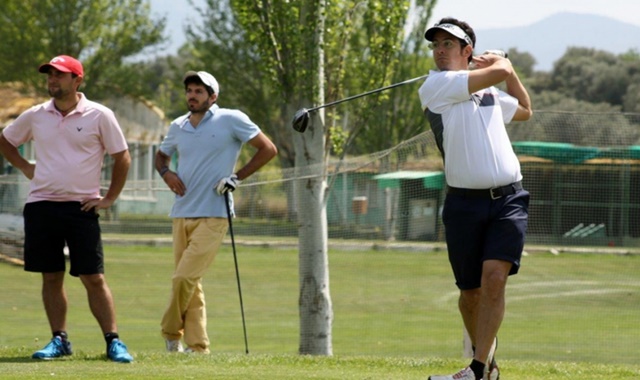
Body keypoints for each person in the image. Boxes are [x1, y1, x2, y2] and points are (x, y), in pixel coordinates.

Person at [418, 18, 532, 380]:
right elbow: (497, 72)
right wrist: (502, 62)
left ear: (467, 51)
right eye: (435, 44)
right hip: (464, 203)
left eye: (448, 44)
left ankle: (478, 369)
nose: (439, 50)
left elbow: (526, 110)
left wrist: (508, 71)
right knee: (470, 293)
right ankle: (489, 363)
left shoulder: (490, 93)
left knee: (494, 278)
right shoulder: (436, 85)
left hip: (508, 199)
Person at [0, 55, 134, 363]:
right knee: (51, 276)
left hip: (81, 208)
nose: (52, 80)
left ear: (77, 80)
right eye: (49, 75)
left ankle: (113, 341)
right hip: (41, 205)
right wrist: (25, 167)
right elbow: (6, 141)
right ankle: (59, 339)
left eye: (59, 75)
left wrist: (109, 198)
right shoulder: (35, 115)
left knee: (93, 277)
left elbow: (122, 157)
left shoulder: (100, 115)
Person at [155, 70, 277, 353]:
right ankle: (197, 348)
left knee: (183, 278)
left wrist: (236, 177)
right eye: (189, 90)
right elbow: (161, 155)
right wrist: (166, 173)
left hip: (215, 214)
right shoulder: (178, 125)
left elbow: (267, 149)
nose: (192, 95)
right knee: (191, 283)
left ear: (213, 96)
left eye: (199, 91)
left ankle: (170, 333)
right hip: (181, 213)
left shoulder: (231, 119)